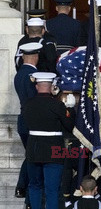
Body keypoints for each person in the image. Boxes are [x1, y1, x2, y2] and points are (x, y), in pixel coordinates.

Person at [23, 72, 76, 209]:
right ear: (52, 86)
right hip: (54, 149)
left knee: (34, 185)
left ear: (36, 86)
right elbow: (69, 126)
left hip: (34, 148)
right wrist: (70, 109)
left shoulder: (28, 104)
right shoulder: (57, 105)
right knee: (52, 189)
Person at [13, 42, 42, 207]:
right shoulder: (33, 75)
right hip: (33, 121)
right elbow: (34, 100)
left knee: (31, 157)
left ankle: (22, 188)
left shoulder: (19, 74)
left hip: (23, 120)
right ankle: (24, 191)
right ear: (36, 56)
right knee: (33, 159)